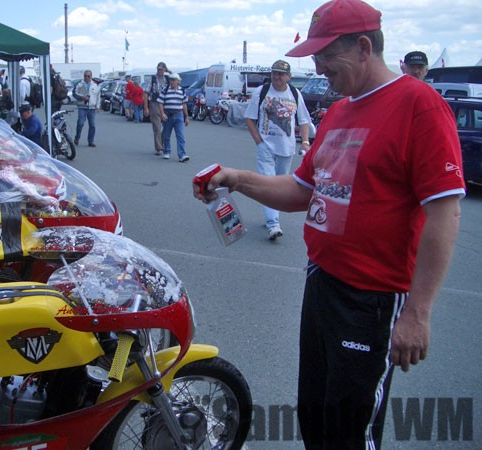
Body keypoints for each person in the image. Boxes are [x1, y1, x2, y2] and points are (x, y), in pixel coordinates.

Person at [193, 0, 465, 448]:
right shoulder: (338, 113)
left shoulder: (419, 105)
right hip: (322, 284)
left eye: (325, 55)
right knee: (315, 414)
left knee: (348, 429)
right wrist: (238, 180)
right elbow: (303, 191)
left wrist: (417, 313)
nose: (318, 68)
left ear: (363, 47)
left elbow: (445, 211)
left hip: (371, 299)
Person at [244, 59, 312, 240]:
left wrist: (305, 141)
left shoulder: (295, 94)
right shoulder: (262, 92)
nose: (277, 77)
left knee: (280, 186)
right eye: (274, 73)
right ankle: (273, 224)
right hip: (265, 146)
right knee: (267, 183)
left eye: (281, 74)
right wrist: (259, 141)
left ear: (288, 77)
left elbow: (304, 120)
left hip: (286, 147)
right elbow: (249, 119)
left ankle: (271, 217)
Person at [157, 73, 189, 162]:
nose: (172, 81)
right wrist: (162, 113)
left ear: (178, 81)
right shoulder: (165, 90)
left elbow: (184, 104)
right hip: (168, 114)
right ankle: (167, 151)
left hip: (179, 115)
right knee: (166, 135)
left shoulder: (182, 91)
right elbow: (160, 102)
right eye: (171, 80)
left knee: (181, 136)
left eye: (174, 80)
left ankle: (182, 155)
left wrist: (186, 116)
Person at [144, 62, 170, 156]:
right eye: (158, 69)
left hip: (165, 103)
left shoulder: (167, 78)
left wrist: (169, 71)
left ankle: (161, 143)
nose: (160, 71)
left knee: (167, 126)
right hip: (155, 103)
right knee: (157, 127)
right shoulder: (152, 79)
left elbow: (178, 80)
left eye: (162, 69)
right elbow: (146, 93)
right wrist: (146, 108)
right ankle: (159, 148)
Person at [73, 70, 100, 147]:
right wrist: (82, 97)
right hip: (82, 107)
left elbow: (98, 97)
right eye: (85, 76)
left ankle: (90, 141)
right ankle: (77, 137)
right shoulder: (79, 84)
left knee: (92, 125)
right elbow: (74, 93)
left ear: (91, 76)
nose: (86, 77)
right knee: (80, 123)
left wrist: (97, 106)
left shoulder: (95, 85)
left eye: (88, 76)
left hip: (91, 107)